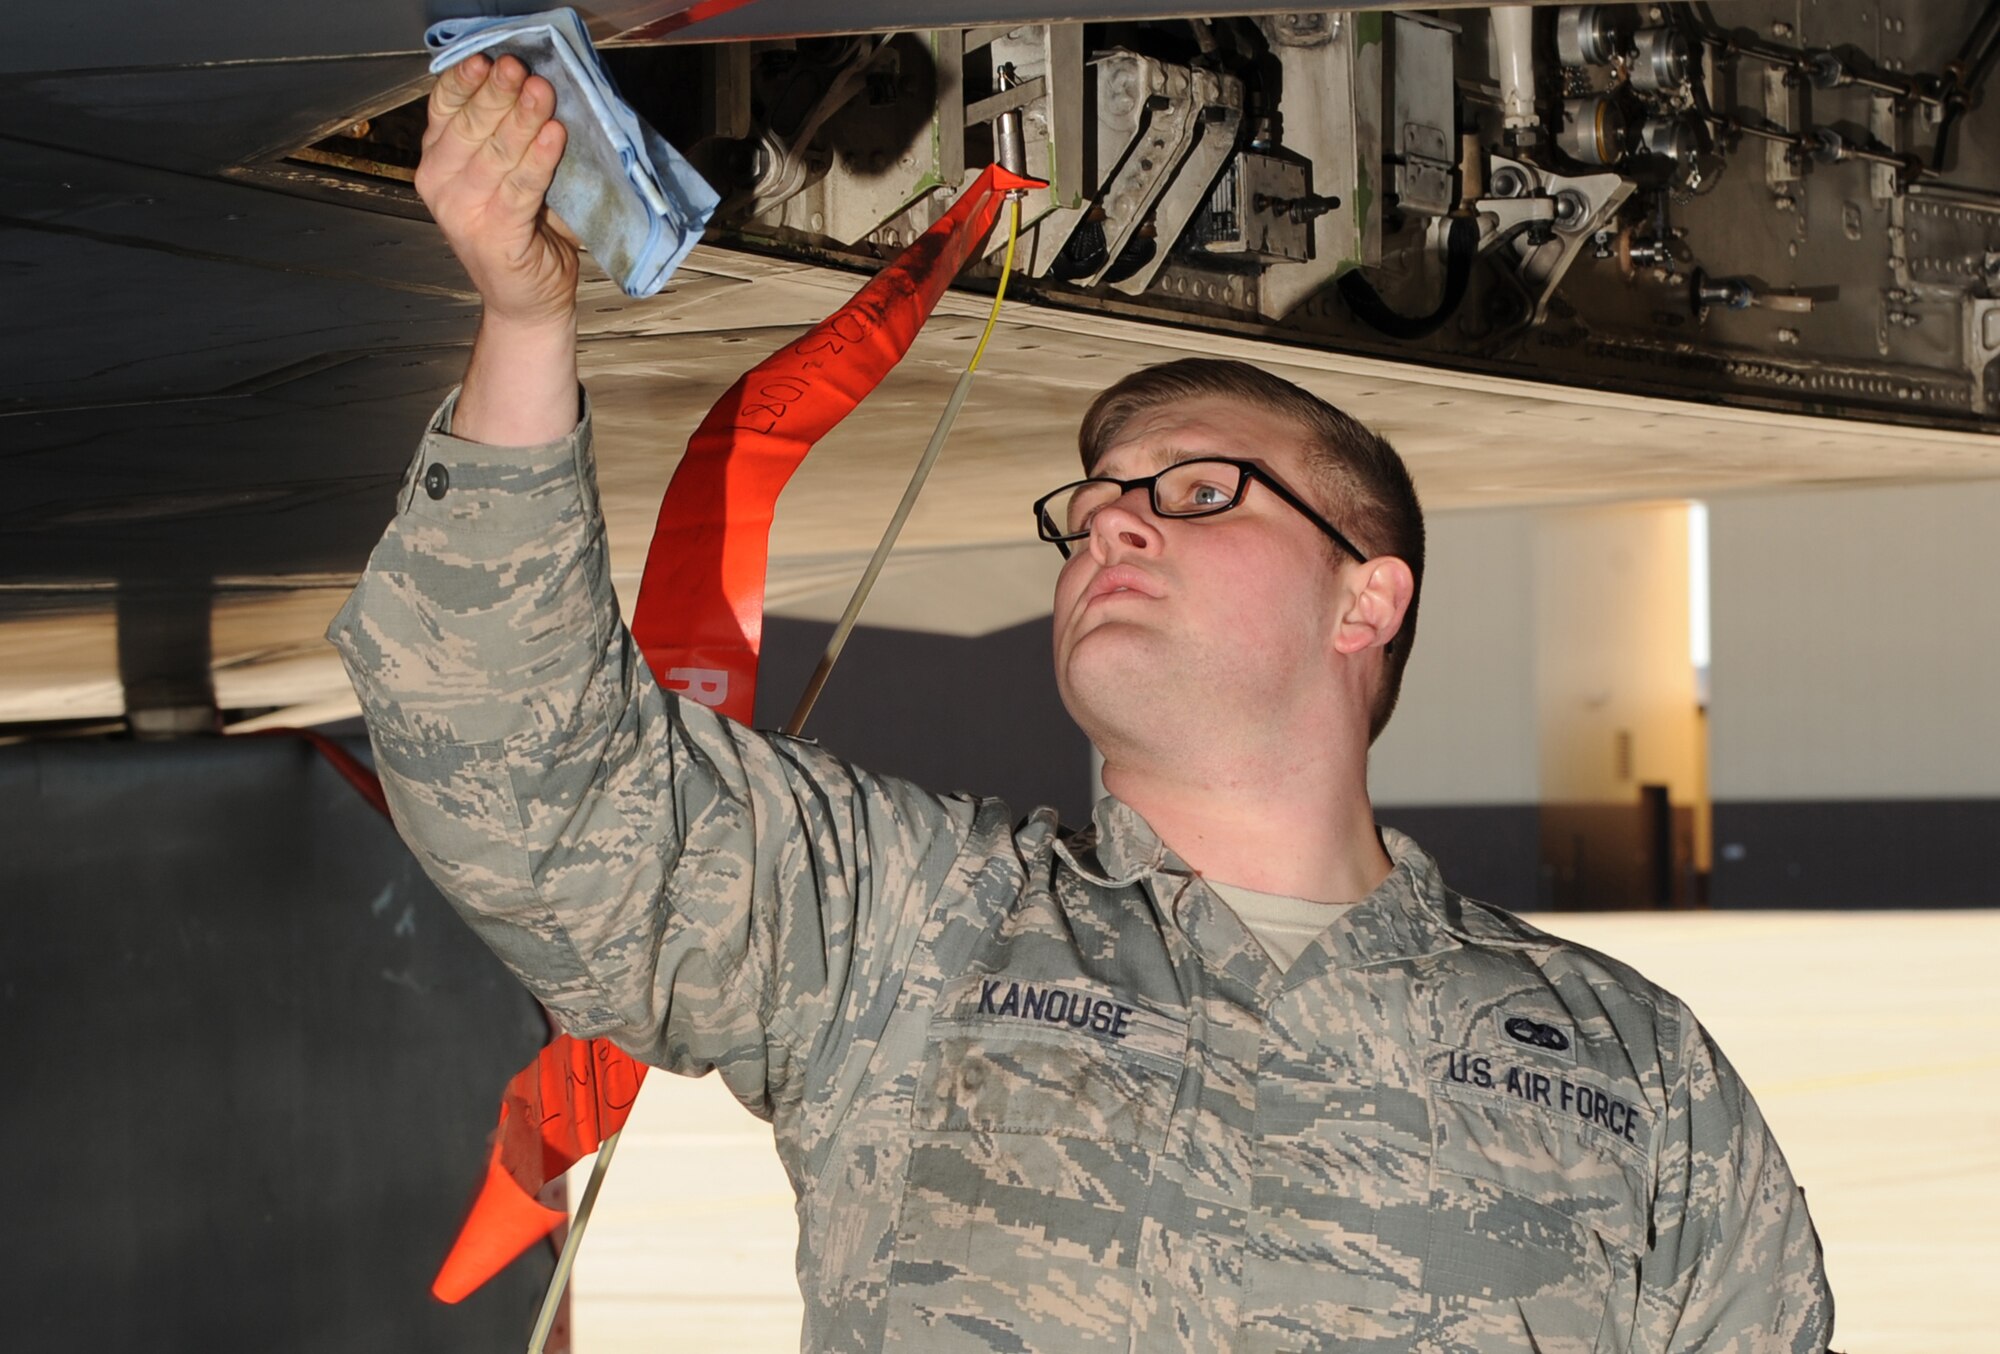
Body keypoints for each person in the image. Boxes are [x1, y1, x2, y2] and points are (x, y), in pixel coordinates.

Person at [331, 54, 1833, 1353]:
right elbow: (528, 783)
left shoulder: (1634, 1076)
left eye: (1195, 491)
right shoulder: (903, 932)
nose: (1112, 521)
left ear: (1364, 602)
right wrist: (527, 327)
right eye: (1097, 501)